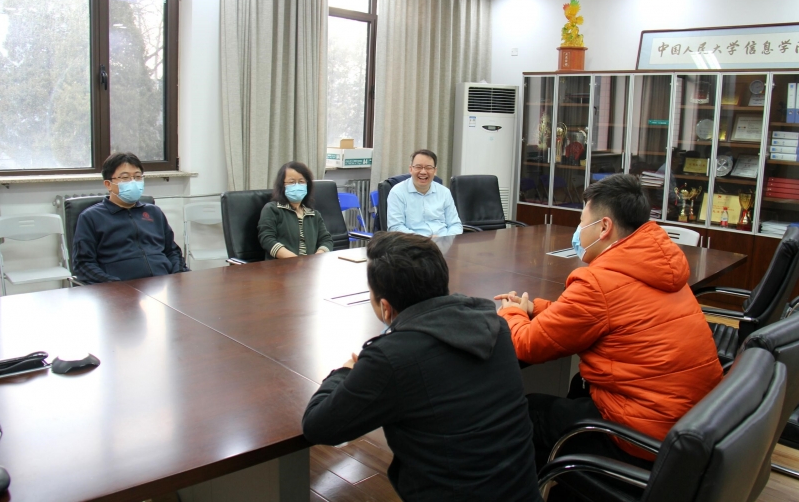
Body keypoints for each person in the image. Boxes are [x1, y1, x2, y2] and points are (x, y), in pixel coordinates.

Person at [494, 174, 723, 476]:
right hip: (691, 424)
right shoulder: (658, 265)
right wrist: (534, 308)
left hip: (644, 436)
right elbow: (593, 316)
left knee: (528, 411)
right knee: (577, 387)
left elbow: (527, 345)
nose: (578, 231)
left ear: (604, 227)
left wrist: (512, 313)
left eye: (581, 222)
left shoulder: (599, 282)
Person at [302, 232, 541, 502]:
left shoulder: (392, 358)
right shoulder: (495, 325)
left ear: (385, 307)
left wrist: (345, 372)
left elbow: (317, 426)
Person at [72, 152, 189, 284]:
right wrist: (114, 285)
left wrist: (178, 276)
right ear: (108, 184)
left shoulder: (154, 212)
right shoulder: (91, 217)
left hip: (163, 284)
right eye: (125, 178)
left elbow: (172, 251)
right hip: (121, 288)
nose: (133, 182)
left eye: (138, 177)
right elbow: (83, 264)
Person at [257, 161, 333, 259]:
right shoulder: (272, 209)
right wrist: (295, 260)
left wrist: (317, 257)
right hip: (282, 266)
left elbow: (326, 240)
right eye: (291, 182)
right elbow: (267, 239)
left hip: (311, 265)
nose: (297, 186)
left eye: (301, 182)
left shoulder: (314, 214)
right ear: (282, 185)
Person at [387, 149, 463, 237]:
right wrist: (425, 241)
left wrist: (445, 239)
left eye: (428, 167)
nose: (423, 172)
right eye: (418, 167)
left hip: (443, 241)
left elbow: (455, 225)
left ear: (435, 171)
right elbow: (395, 227)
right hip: (412, 242)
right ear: (411, 169)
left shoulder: (444, 192)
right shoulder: (397, 192)